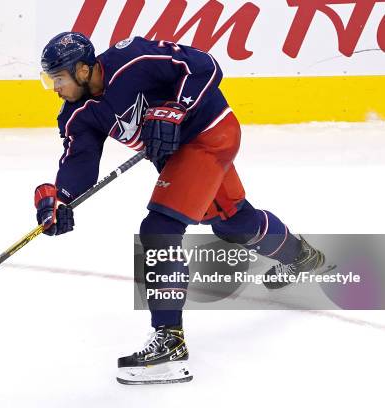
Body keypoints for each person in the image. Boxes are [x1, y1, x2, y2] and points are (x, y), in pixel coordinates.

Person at [34, 32, 325, 385]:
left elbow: (204, 65)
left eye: (58, 78)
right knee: (233, 222)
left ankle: (170, 342)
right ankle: (301, 255)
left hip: (211, 132)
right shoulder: (78, 114)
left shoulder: (134, 57)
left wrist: (177, 106)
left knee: (159, 230)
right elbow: (79, 162)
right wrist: (60, 198)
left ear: (82, 69)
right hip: (179, 158)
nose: (54, 87)